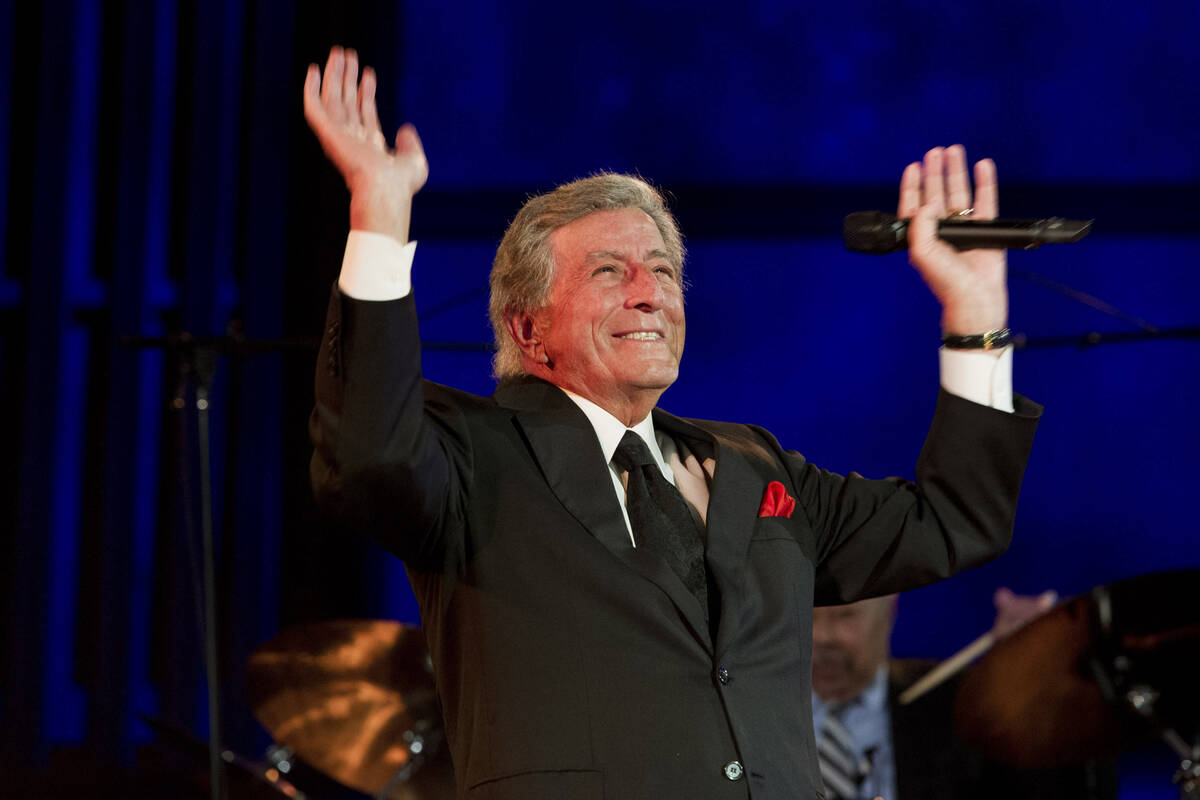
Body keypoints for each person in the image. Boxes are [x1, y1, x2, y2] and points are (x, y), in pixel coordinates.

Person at [304, 45, 1042, 800]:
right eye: (607, 271)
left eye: (661, 270)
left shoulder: (755, 465)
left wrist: (976, 315)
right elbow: (367, 457)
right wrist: (379, 214)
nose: (649, 292)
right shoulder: (471, 457)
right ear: (528, 331)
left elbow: (956, 519)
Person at [811, 591, 1117, 800]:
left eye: (845, 616)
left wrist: (1040, 684)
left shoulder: (965, 708)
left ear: (890, 608)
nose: (821, 636)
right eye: (805, 616)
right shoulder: (763, 719)